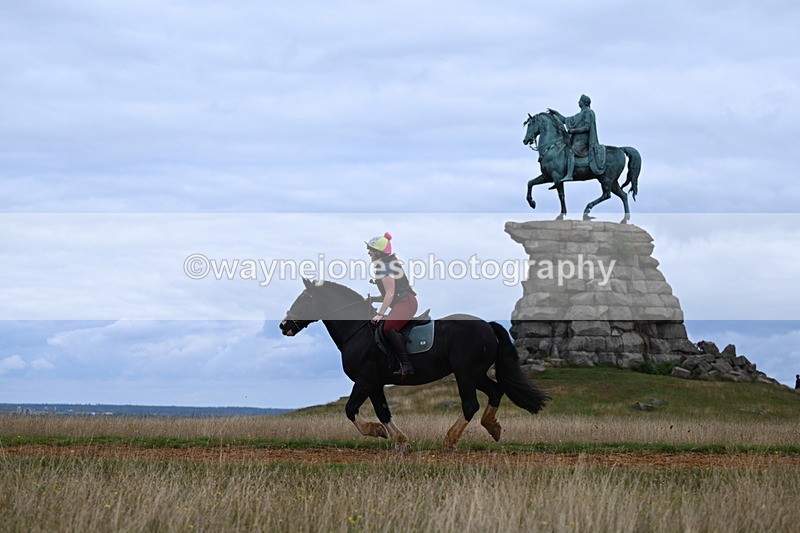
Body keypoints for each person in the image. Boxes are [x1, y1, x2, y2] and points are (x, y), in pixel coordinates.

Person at [365, 232, 418, 378]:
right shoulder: (384, 264)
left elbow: (390, 293)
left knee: (389, 327)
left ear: (379, 252)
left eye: (371, 250)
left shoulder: (385, 266)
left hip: (406, 302)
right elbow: (387, 295)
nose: (369, 252)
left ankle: (407, 365)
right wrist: (372, 300)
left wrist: (380, 314)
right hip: (401, 301)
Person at [547, 94, 606, 188]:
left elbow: (587, 127)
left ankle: (569, 175)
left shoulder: (589, 113)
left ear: (584, 102)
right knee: (562, 151)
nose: (578, 102)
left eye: (580, 100)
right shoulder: (579, 115)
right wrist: (556, 114)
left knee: (570, 151)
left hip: (584, 141)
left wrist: (573, 131)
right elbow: (566, 120)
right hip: (575, 140)